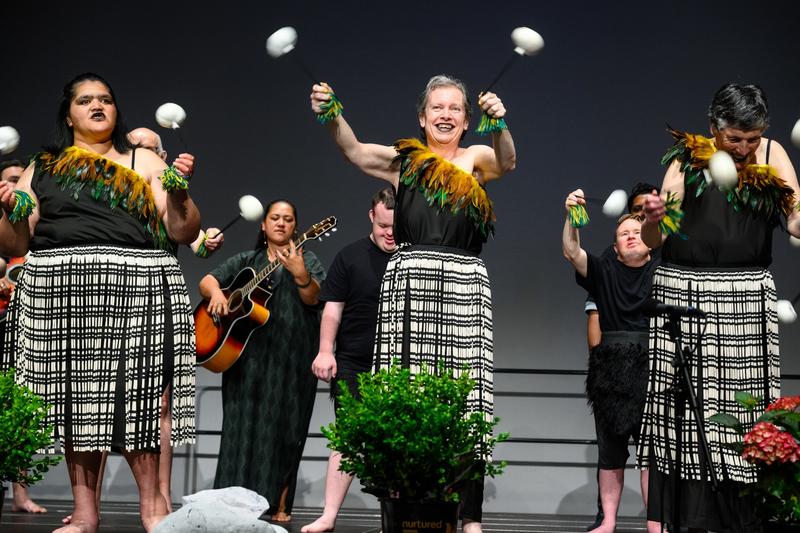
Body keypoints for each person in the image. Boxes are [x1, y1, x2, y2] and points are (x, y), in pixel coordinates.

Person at [310, 74, 515, 533]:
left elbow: (507, 161)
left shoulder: (475, 159)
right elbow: (355, 150)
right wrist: (331, 111)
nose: (446, 115)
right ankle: (406, 507)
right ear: (422, 118)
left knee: (468, 399)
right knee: (409, 392)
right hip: (412, 280)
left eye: (455, 109)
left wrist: (499, 124)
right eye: (437, 108)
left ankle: (470, 518)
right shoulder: (405, 163)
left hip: (464, 281)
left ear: (466, 120)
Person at [0, 72, 200, 533]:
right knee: (79, 406)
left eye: (106, 99)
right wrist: (8, 207)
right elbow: (16, 237)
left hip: (137, 295)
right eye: (86, 100)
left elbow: (182, 231)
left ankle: (153, 510)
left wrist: (179, 189)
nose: (97, 106)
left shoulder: (141, 160)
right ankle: (86, 515)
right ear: (68, 114)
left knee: (140, 403)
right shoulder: (43, 166)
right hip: (60, 296)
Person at [639, 83, 800, 532]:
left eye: (752, 138)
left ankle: (745, 517)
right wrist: (653, 219)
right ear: (714, 128)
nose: (746, 148)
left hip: (747, 296)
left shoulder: (772, 155)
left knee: (743, 413)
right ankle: (685, 518)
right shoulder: (685, 160)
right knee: (688, 415)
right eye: (735, 139)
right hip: (684, 296)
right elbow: (656, 239)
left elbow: (794, 218)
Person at [200, 199, 325, 523]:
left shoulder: (306, 257)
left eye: (288, 219)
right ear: (263, 225)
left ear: (296, 227)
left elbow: (314, 297)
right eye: (275, 218)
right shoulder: (248, 260)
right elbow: (208, 280)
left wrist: (300, 276)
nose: (281, 223)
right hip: (247, 362)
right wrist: (216, 293)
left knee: (286, 430)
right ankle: (230, 502)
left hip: (291, 359)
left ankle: (279, 504)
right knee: (239, 431)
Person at [563, 190, 661, 533]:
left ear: (650, 242)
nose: (631, 236)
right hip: (611, 368)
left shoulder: (664, 273)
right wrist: (572, 215)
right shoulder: (604, 270)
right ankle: (608, 521)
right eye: (623, 234)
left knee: (653, 453)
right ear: (616, 249)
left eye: (637, 231)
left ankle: (655, 523)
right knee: (610, 451)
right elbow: (572, 252)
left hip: (653, 366)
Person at [303, 187, 396, 533]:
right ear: (372, 216)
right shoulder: (350, 256)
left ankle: (397, 518)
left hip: (399, 364)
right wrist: (326, 350)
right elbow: (333, 309)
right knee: (348, 440)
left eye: (396, 226)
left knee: (398, 441)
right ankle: (328, 516)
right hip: (355, 362)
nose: (390, 233)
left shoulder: (412, 259)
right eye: (384, 225)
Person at [0, 158, 48, 515]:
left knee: (19, 410)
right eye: (12, 180)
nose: (18, 186)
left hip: (25, 326)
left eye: (22, 181)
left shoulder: (36, 225)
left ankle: (20, 494)